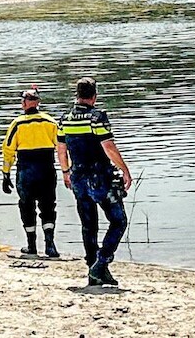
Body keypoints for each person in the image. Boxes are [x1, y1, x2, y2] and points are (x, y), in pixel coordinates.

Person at [56, 77, 132, 286]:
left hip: (77, 177)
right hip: (99, 177)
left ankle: (94, 269)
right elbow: (108, 146)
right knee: (118, 221)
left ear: (77, 95)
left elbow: (61, 149)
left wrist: (65, 171)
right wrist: (125, 170)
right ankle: (101, 263)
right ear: (94, 96)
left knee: (88, 225)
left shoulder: (64, 119)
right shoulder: (97, 117)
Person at [2, 87, 60, 257]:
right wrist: (67, 170)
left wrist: (5, 174)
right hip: (46, 170)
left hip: (26, 171)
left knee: (27, 207)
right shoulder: (50, 122)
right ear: (38, 103)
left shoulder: (17, 124)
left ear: (24, 104)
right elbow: (62, 147)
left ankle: (31, 245)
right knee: (48, 207)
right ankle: (50, 245)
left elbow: (8, 150)